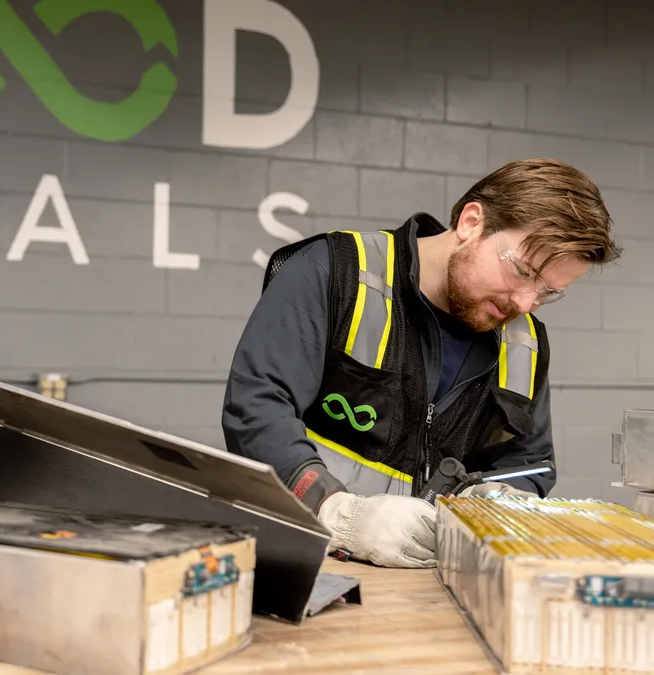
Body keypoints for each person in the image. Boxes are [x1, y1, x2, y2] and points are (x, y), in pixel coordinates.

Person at [222, 159, 620, 569]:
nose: (524, 303)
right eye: (522, 270)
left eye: (547, 292)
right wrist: (335, 512)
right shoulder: (335, 271)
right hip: (308, 559)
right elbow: (258, 405)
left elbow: (529, 464)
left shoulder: (526, 343)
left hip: (429, 586)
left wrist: (497, 505)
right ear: (470, 222)